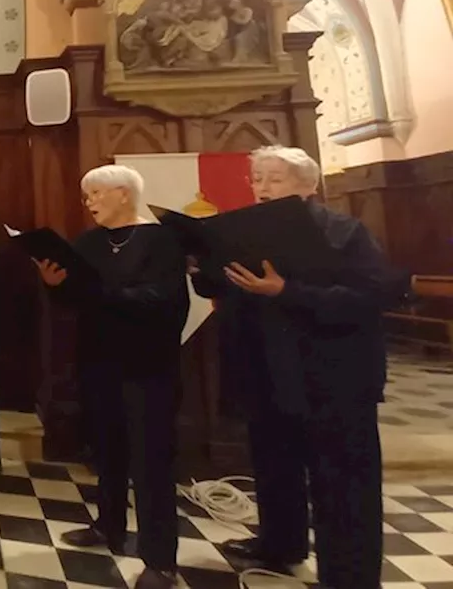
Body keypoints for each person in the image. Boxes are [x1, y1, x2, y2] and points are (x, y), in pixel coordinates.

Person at [192, 146, 393, 589]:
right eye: (258, 179)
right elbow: (219, 285)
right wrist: (200, 263)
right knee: (274, 464)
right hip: (267, 371)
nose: (262, 188)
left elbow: (372, 297)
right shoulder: (244, 232)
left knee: (342, 480)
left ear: (309, 185)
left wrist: (287, 291)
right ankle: (281, 544)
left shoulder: (343, 232)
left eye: (274, 179)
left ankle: (351, 577)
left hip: (333, 376)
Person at [35, 164, 188, 589]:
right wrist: (55, 284)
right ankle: (109, 526)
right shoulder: (88, 242)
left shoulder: (161, 240)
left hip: (148, 366)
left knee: (151, 463)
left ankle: (160, 561)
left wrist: (100, 293)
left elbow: (165, 301)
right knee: (107, 451)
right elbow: (76, 297)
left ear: (124, 194)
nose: (90, 203)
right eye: (87, 196)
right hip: (98, 359)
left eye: (97, 194)